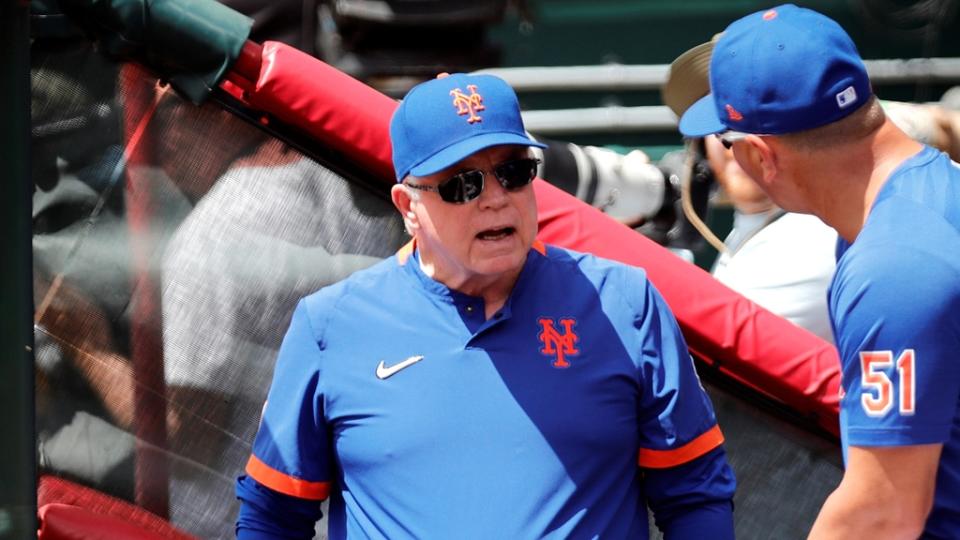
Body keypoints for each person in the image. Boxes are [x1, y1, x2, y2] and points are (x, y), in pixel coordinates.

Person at [236, 72, 736, 538]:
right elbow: (273, 512)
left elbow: (694, 492)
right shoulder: (330, 324)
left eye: (514, 172)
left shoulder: (622, 303)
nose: (496, 198)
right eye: (463, 184)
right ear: (409, 208)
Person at [679, 4, 960, 538]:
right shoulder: (929, 196)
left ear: (761, 157)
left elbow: (884, 510)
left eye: (728, 143)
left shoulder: (894, 265)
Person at [662, 38, 837, 344]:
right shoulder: (749, 230)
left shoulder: (812, 234)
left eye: (752, 118)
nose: (738, 143)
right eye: (721, 127)